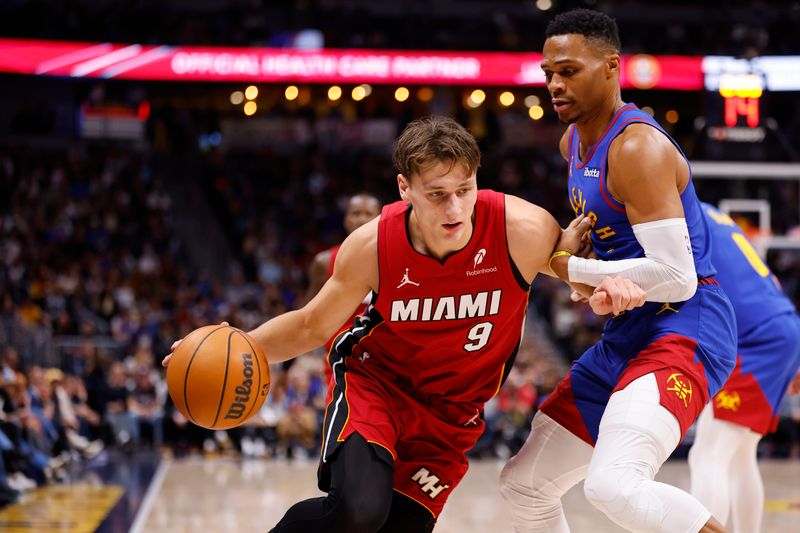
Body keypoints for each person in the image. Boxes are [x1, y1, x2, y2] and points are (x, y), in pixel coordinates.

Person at [164, 115, 646, 533]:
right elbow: (313, 324)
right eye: (437, 195)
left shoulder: (521, 229)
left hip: (452, 416)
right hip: (380, 388)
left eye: (464, 190)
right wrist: (230, 345)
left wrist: (603, 285)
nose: (455, 209)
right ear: (404, 189)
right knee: (359, 512)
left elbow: (576, 275)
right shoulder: (373, 245)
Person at [500, 9, 737, 533]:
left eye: (568, 71)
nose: (555, 85)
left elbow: (678, 276)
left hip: (687, 324)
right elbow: (606, 248)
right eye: (548, 74)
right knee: (522, 484)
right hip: (629, 328)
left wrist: (566, 265)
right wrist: (594, 275)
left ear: (611, 66)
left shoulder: (638, 148)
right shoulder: (572, 144)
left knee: (614, 484)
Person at [687, 203, 800, 532]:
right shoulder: (711, 214)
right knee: (739, 456)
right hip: (781, 327)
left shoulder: (677, 218)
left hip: (756, 340)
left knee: (707, 455)